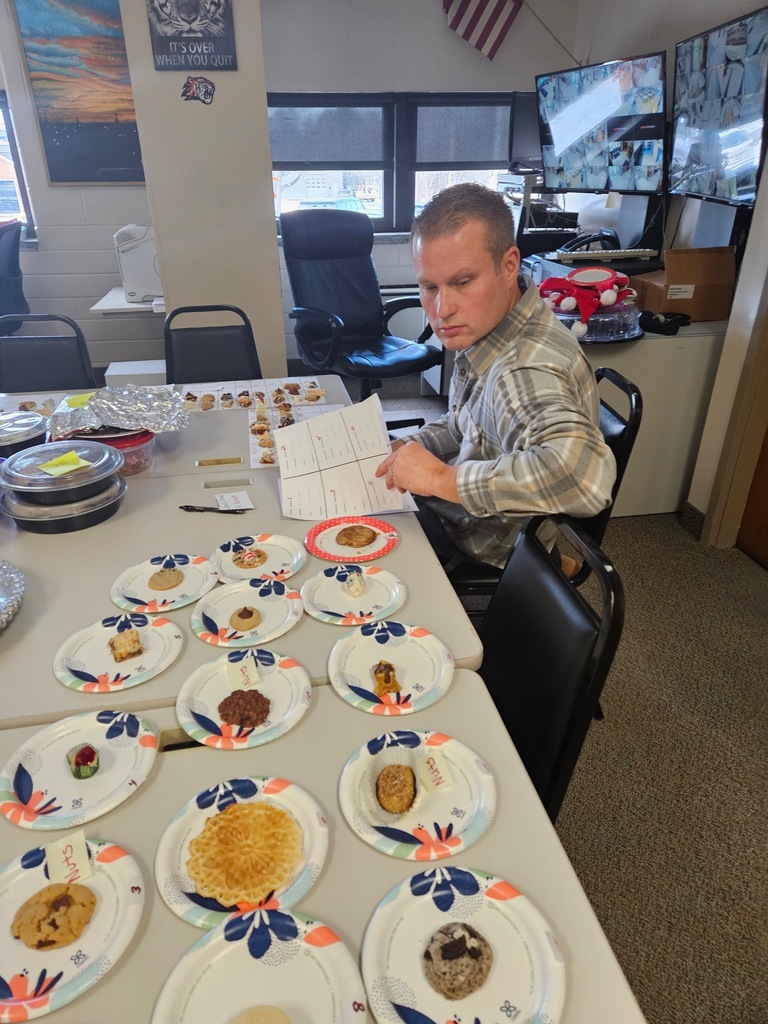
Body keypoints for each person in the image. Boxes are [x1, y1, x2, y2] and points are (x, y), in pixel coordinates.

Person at [375, 182, 616, 571]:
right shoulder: (493, 328)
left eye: (462, 281)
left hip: (480, 544)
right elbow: (464, 425)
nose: (442, 309)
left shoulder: (523, 369)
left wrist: (440, 479)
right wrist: (411, 446)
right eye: (428, 286)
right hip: (469, 517)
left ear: (508, 266)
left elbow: (585, 480)